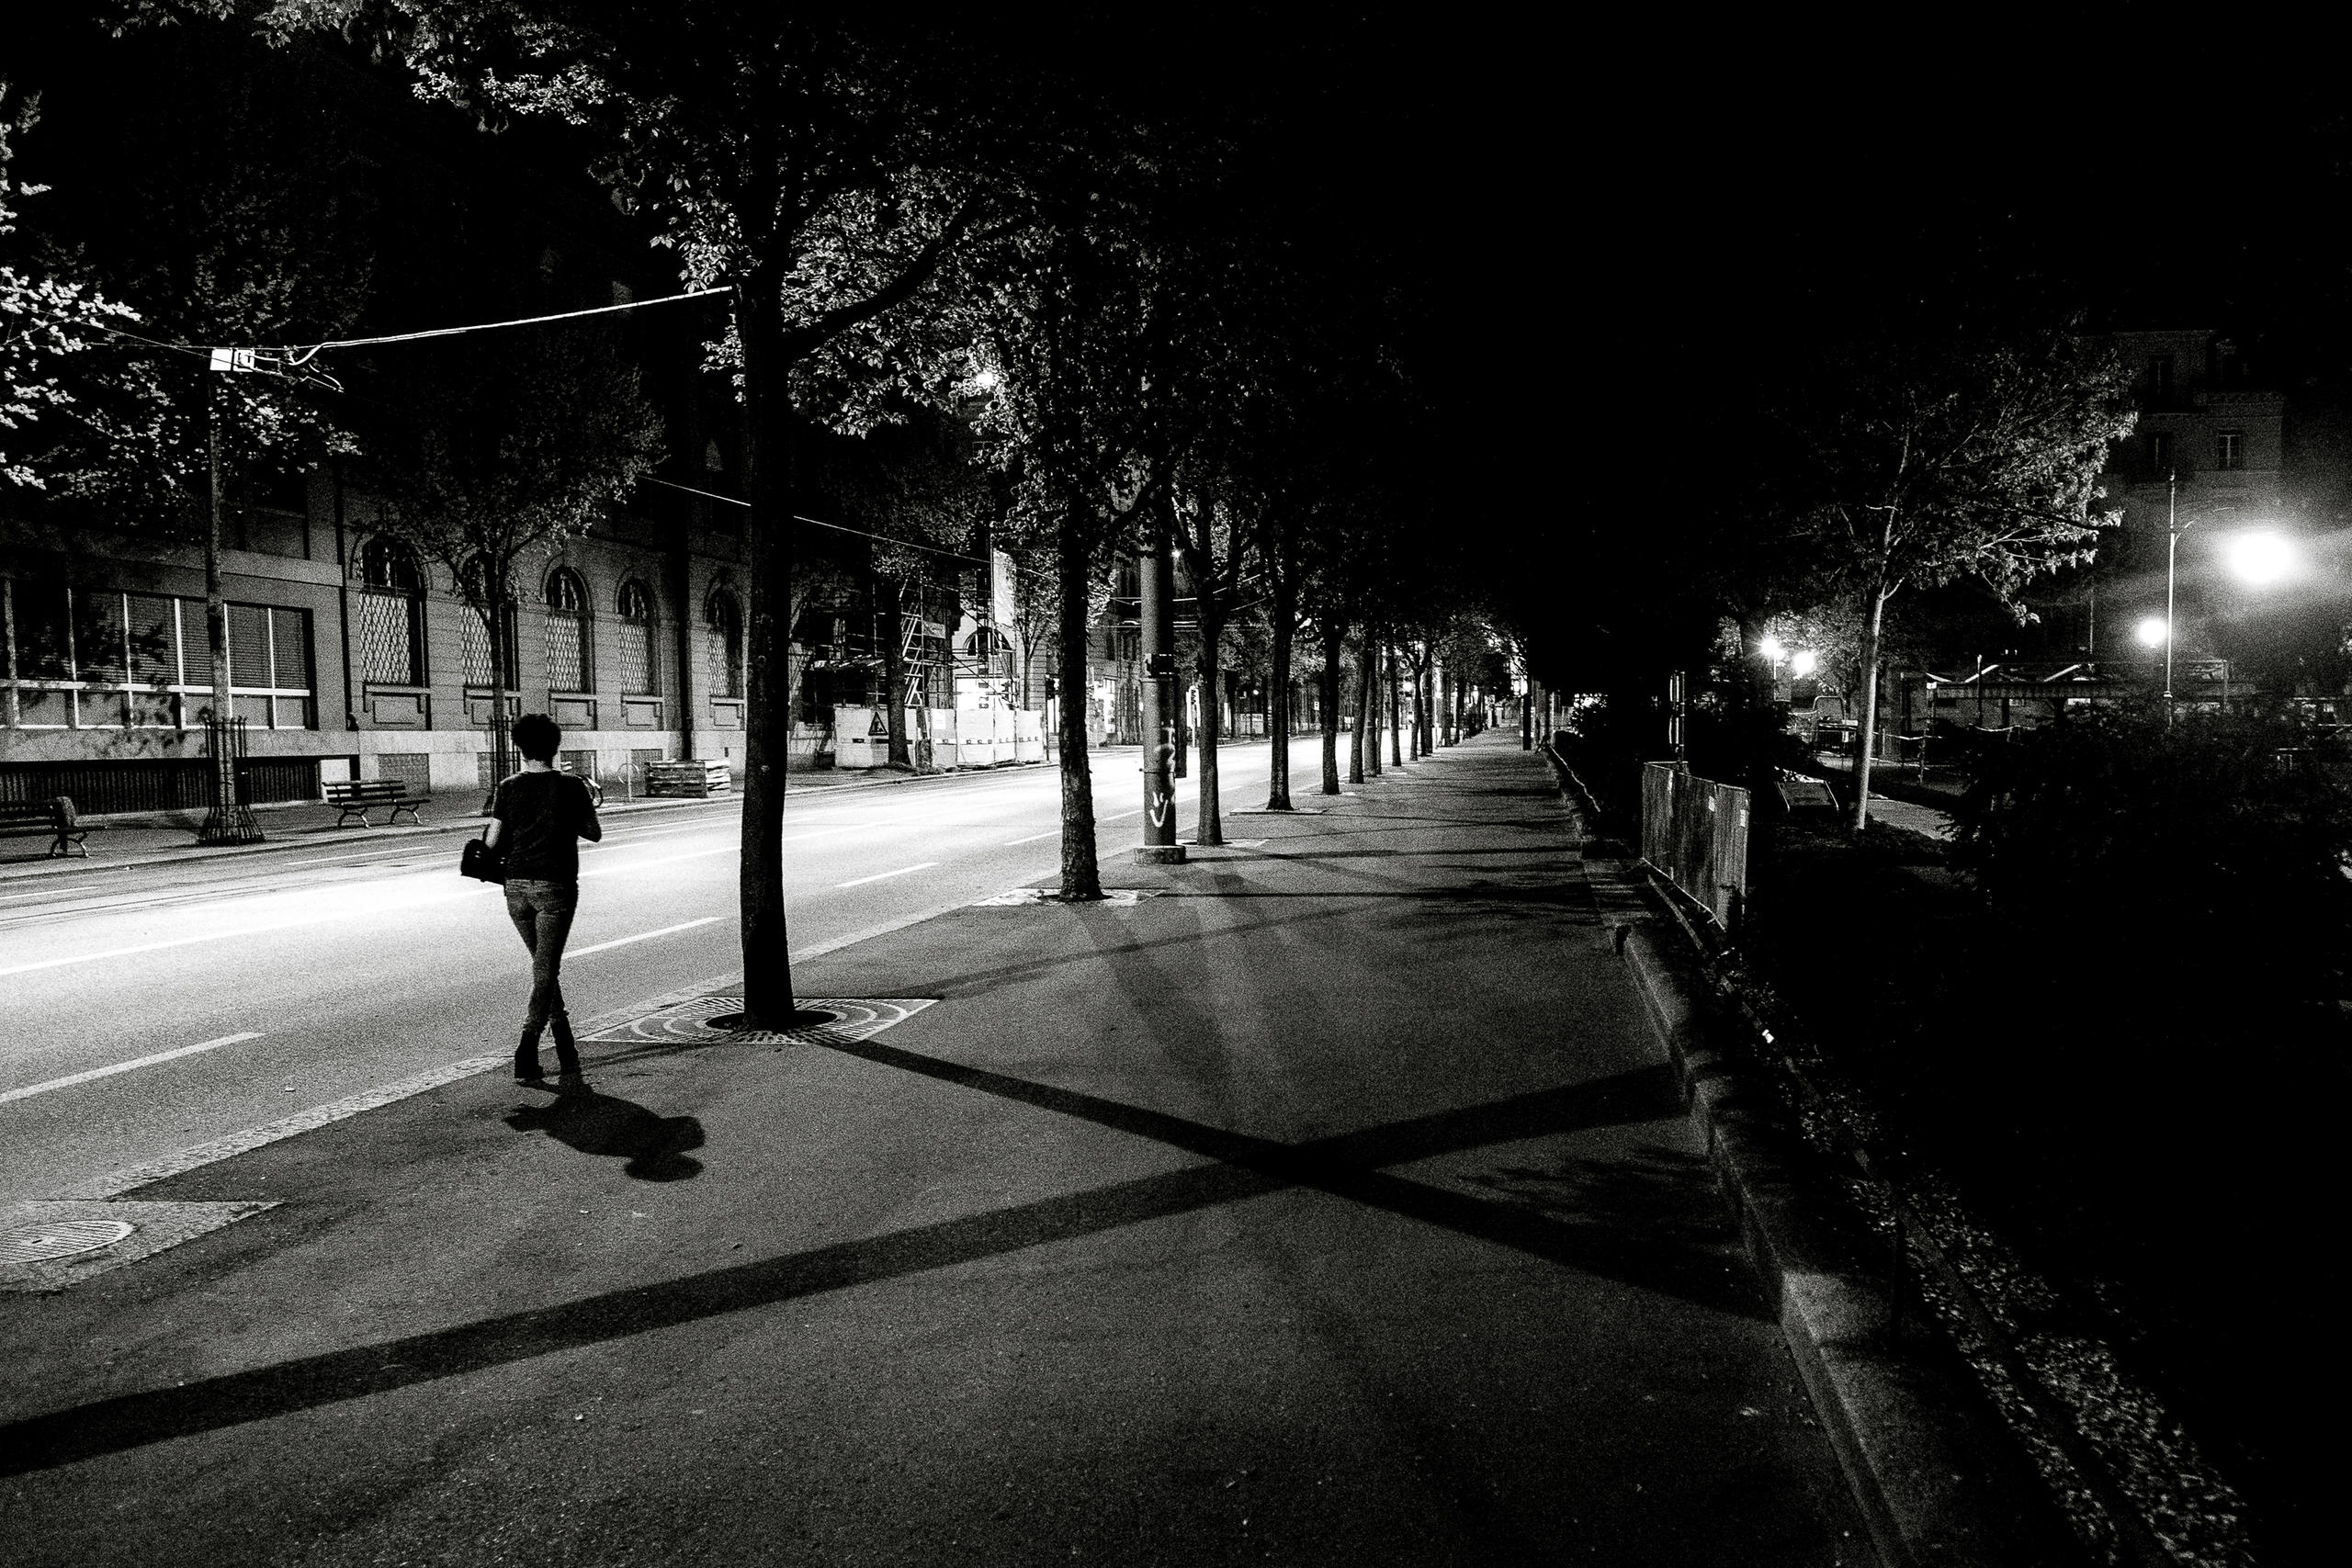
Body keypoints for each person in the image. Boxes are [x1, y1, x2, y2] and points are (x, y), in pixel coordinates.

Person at [482, 713, 603, 1084]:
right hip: (555, 886)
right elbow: (593, 833)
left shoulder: (507, 786)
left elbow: (491, 842)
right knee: (546, 969)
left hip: (515, 887)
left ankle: (566, 1044)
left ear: (520, 747)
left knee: (543, 967)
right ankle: (527, 1045)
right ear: (556, 746)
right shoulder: (572, 787)